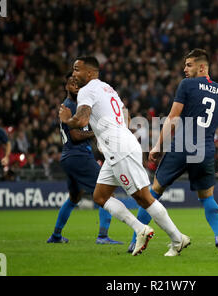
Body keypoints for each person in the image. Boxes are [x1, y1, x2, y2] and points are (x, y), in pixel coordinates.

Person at [59, 56, 190, 256]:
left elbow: (82, 119)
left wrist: (67, 119)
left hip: (119, 148)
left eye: (77, 70)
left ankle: (177, 238)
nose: (74, 74)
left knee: (143, 197)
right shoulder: (108, 88)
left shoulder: (87, 90)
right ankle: (140, 229)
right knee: (100, 196)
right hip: (119, 146)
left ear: (90, 72)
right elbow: (127, 117)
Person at [127, 48, 218, 254]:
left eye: (189, 65)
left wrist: (159, 145)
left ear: (202, 67)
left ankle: (135, 240)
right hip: (205, 150)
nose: (184, 69)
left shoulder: (187, 85)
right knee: (207, 197)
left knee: (153, 193)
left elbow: (173, 117)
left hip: (182, 146)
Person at [47, 73, 122, 245]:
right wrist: (96, 132)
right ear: (66, 86)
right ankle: (103, 236)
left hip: (69, 157)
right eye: (71, 83)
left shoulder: (77, 105)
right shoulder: (71, 106)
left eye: (77, 83)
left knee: (74, 197)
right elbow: (74, 135)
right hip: (78, 155)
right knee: (106, 192)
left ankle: (56, 236)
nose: (76, 86)